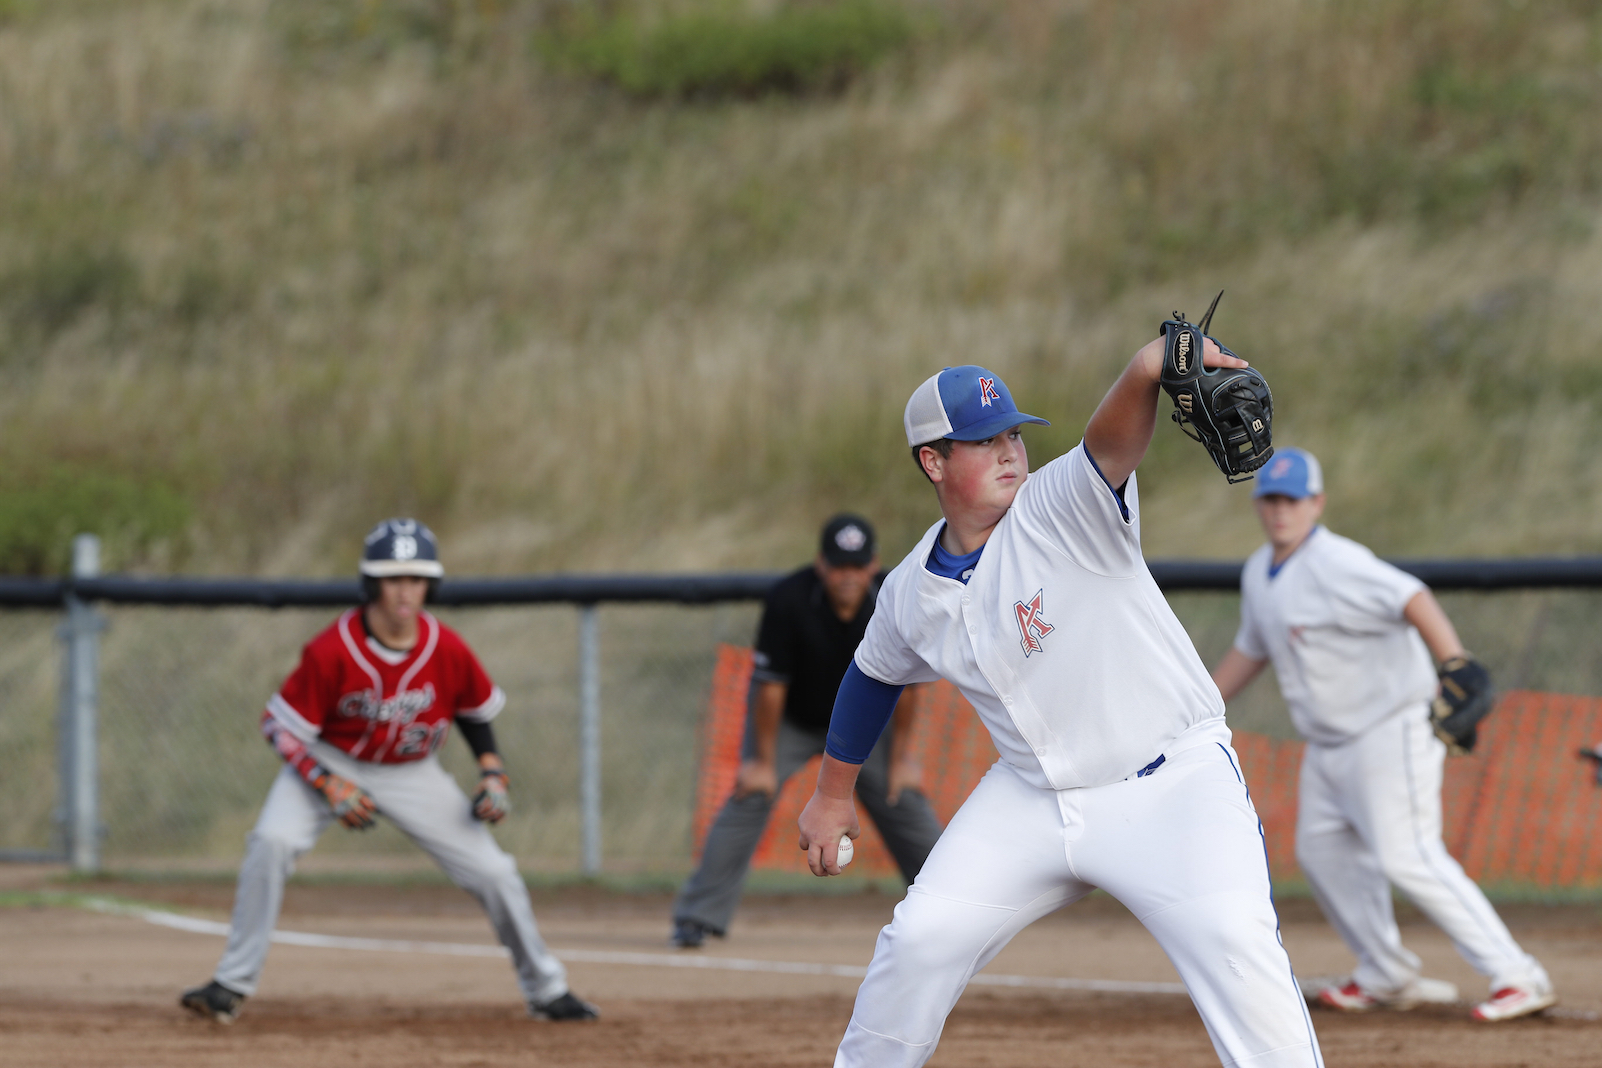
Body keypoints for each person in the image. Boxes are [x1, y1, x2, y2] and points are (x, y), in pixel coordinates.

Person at [799, 353, 1324, 1067]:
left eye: (1013, 434)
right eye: (984, 440)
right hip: (1030, 798)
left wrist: (1147, 368)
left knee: (1240, 952)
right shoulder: (908, 591)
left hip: (1170, 784)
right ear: (933, 462)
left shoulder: (1059, 505)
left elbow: (1109, 443)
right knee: (919, 942)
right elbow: (872, 676)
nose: (1008, 451)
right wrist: (832, 795)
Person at [180, 519, 597, 1024]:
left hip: (411, 771)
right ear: (372, 584)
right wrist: (325, 782)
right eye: (393, 578)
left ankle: (548, 990)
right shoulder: (331, 649)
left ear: (430, 586)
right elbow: (279, 727)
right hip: (329, 759)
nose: (405, 591)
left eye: (416, 579)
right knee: (271, 842)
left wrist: (493, 774)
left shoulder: (447, 647)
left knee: (496, 873)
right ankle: (230, 983)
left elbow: (474, 714)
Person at [1210, 449, 1556, 1022]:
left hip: (1389, 730)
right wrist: (1201, 708)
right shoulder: (1259, 572)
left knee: (1408, 855)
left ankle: (1519, 974)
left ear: (1316, 504)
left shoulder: (1337, 561)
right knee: (1322, 854)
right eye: (1270, 499)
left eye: (1292, 499)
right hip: (1328, 743)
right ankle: (1385, 971)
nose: (1280, 511)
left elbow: (1410, 596)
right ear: (1258, 505)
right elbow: (1251, 649)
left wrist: (1454, 662)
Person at [671, 514, 944, 948]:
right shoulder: (789, 599)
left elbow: (907, 687)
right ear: (821, 564)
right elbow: (770, 688)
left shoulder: (893, 595)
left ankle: (950, 912)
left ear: (873, 565)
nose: (848, 576)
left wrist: (900, 760)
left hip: (864, 728)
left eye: (857, 566)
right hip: (792, 721)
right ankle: (696, 917)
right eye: (838, 565)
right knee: (750, 794)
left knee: (903, 798)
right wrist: (761, 763)